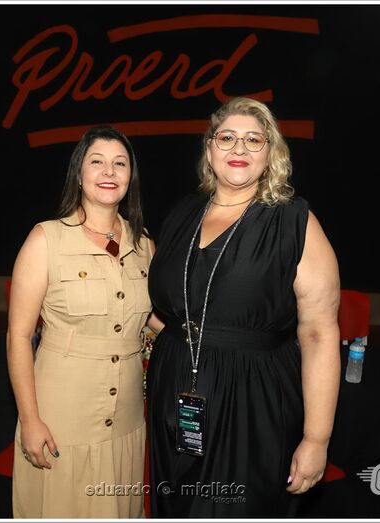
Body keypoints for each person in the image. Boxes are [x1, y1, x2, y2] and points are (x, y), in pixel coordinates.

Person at [145, 97, 341, 517]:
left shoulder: (295, 222)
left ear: (271, 152)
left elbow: (319, 333)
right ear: (209, 148)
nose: (239, 148)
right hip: (175, 390)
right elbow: (166, 307)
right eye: (227, 138)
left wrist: (317, 438)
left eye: (254, 140)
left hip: (254, 398)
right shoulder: (183, 213)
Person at [7, 127, 153, 518]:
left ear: (130, 177)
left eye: (120, 163)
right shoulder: (46, 240)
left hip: (125, 420)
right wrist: (30, 420)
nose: (109, 171)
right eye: (97, 161)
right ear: (79, 173)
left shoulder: (144, 245)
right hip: (62, 418)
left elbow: (154, 318)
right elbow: (18, 336)